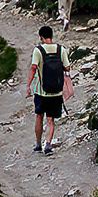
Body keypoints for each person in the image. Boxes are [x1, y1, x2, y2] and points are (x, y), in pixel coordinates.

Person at [28, 24, 67, 155]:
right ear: (52, 36)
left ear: (41, 37)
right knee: (51, 119)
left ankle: (38, 144)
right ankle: (48, 145)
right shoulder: (61, 50)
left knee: (39, 116)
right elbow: (67, 68)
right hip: (56, 91)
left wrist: (28, 85)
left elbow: (33, 68)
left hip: (41, 90)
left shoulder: (38, 51)